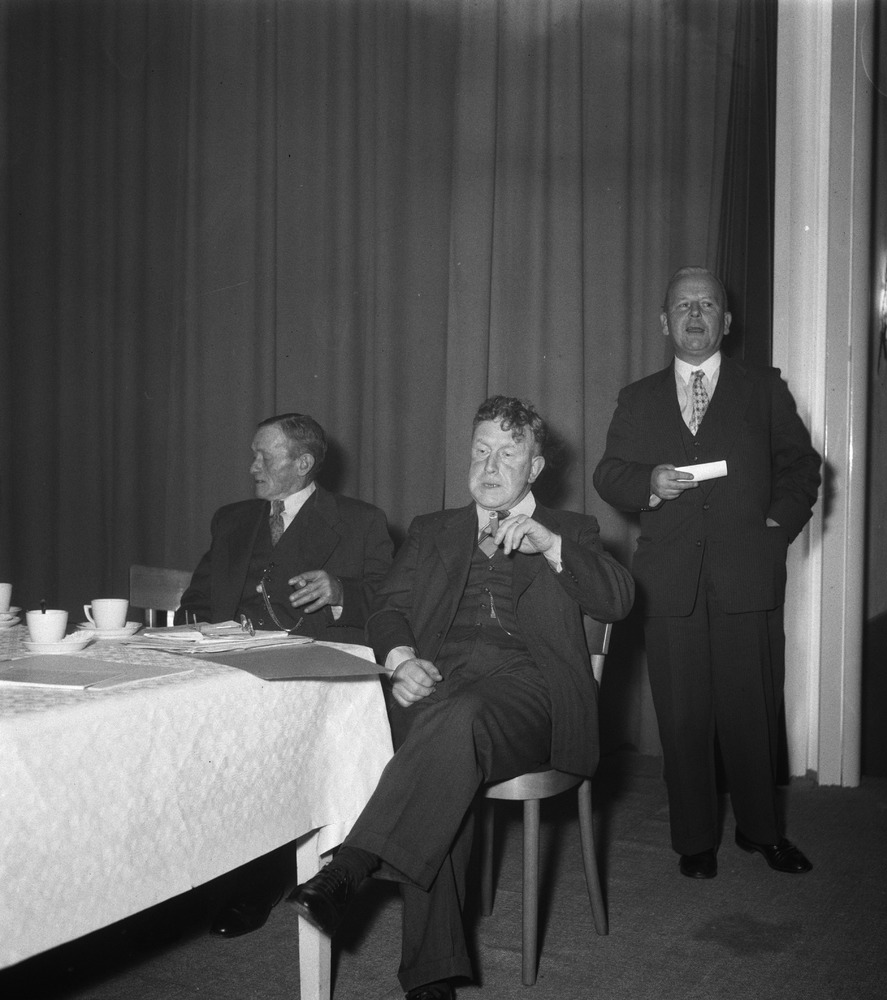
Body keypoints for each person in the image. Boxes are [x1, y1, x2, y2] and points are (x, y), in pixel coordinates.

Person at [286, 396, 634, 1000]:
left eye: (508, 454)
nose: (490, 467)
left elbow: (618, 601)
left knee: (453, 724)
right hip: (440, 688)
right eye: (480, 451)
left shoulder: (571, 530)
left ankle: (352, 863)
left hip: (531, 694)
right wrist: (401, 660)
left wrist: (552, 547)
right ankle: (430, 978)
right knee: (444, 741)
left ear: (535, 468)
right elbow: (388, 610)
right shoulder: (433, 530)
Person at [593, 267, 821, 880]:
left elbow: (802, 467)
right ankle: (694, 839)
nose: (695, 315)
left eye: (708, 305)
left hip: (748, 575)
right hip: (670, 582)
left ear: (727, 320)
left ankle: (761, 831)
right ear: (664, 322)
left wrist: (776, 527)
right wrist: (647, 482)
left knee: (752, 711)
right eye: (683, 306)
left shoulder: (763, 389)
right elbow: (608, 473)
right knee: (683, 716)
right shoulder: (637, 398)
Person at [178, 412, 394, 936]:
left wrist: (341, 592)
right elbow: (197, 600)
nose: (253, 466)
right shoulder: (231, 519)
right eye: (253, 454)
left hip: (308, 677)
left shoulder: (360, 521)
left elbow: (393, 605)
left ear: (303, 464)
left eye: (265, 456)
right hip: (228, 669)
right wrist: (200, 634)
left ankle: (264, 876)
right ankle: (191, 867)